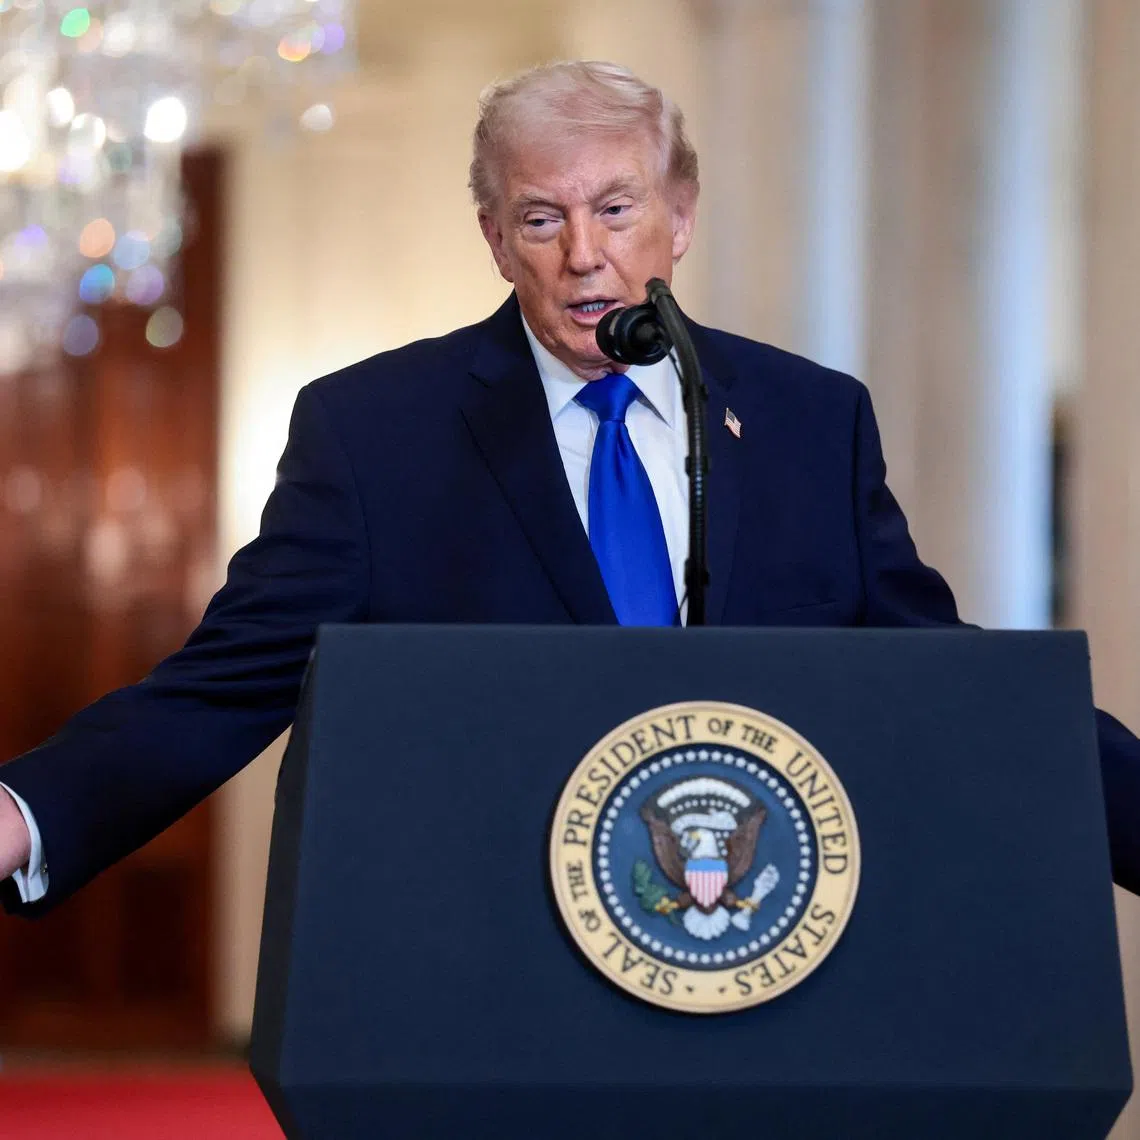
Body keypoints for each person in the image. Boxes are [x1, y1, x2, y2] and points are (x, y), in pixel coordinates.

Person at [2, 60, 1139, 915]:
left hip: (755, 950)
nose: (583, 254)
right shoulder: (376, 434)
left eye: (617, 209)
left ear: (680, 219)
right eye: (542, 218)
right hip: (494, 969)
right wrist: (23, 811)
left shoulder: (809, 421)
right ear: (497, 241)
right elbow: (223, 688)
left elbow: (941, 674)